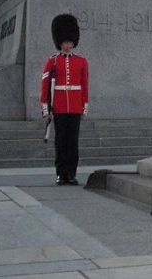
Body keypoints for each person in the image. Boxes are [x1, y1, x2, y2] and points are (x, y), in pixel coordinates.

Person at [41, 14, 89, 185]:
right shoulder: (51, 62)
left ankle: (71, 173)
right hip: (59, 107)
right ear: (59, 42)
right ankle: (61, 173)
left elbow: (84, 85)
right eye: (64, 42)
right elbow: (45, 87)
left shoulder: (81, 62)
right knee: (60, 141)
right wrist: (46, 110)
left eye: (70, 42)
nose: (67, 45)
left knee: (73, 142)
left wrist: (85, 107)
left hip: (75, 107)